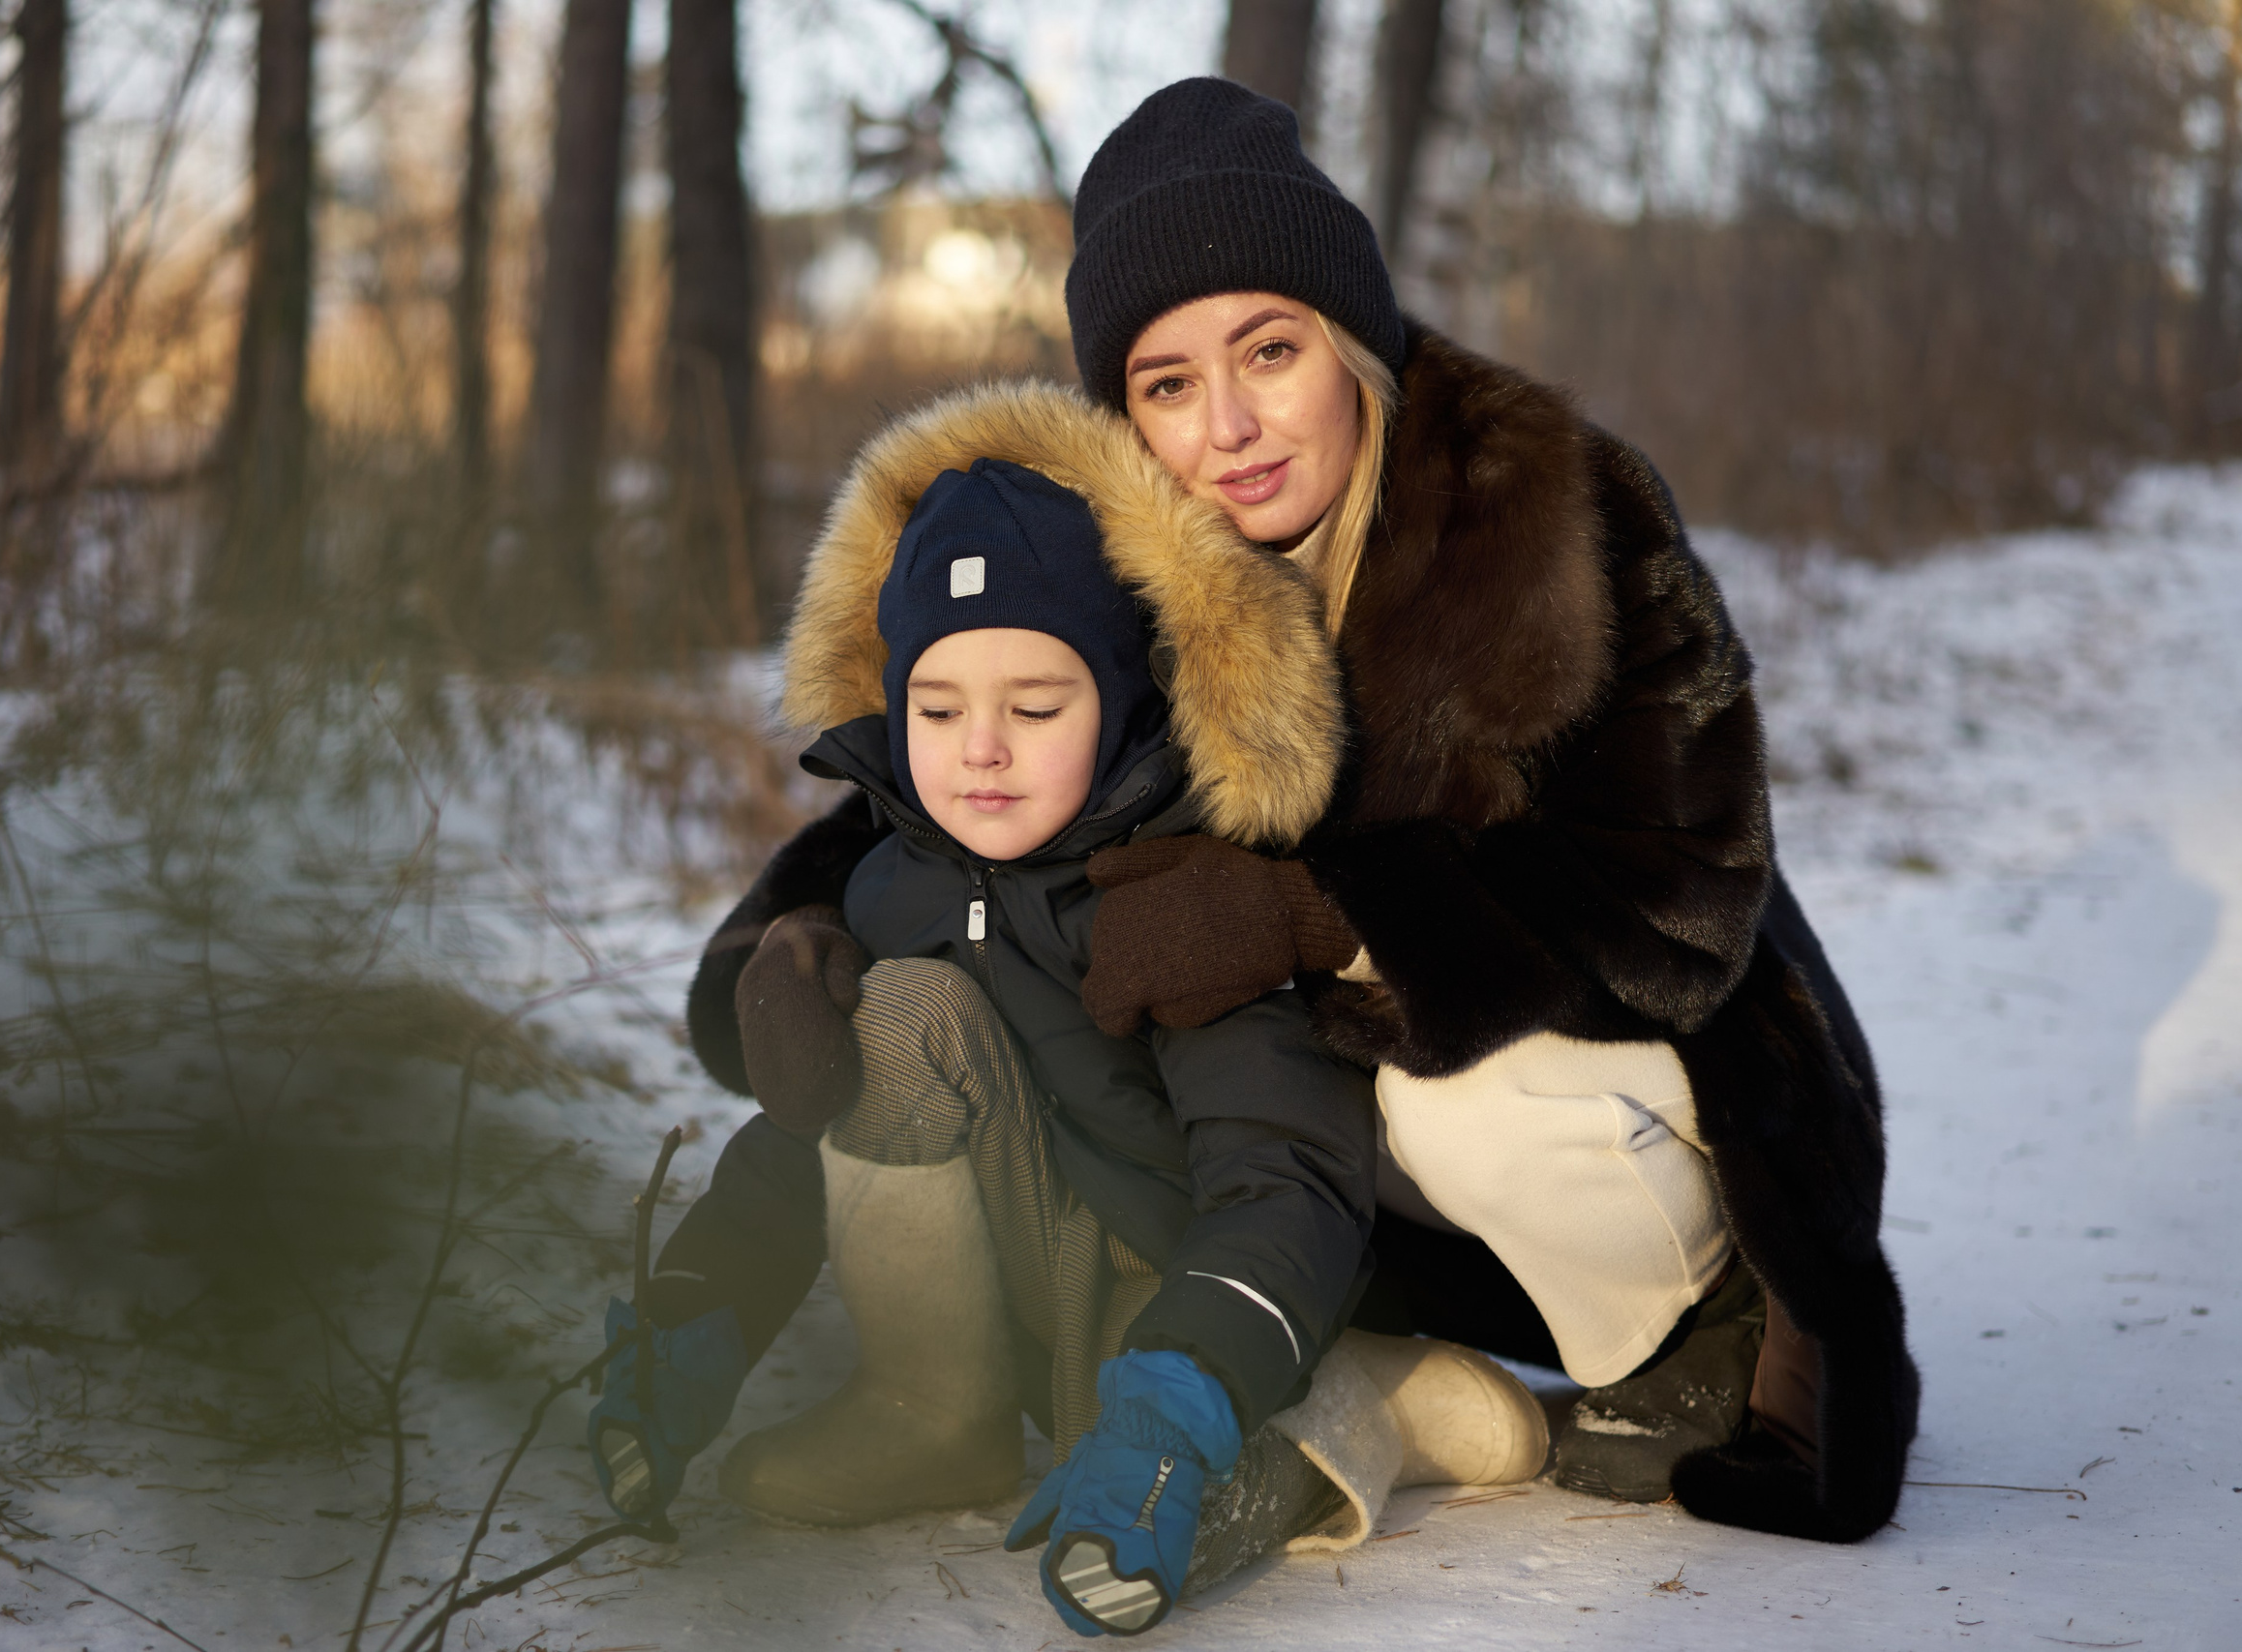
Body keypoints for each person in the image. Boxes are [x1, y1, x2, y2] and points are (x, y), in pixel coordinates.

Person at [683, 77, 1919, 1547]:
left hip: (1655, 1096)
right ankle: (1361, 1365)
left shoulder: (1548, 512)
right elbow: (954, 779)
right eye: (1165, 381)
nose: (1229, 425)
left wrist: (1308, 907)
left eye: (1268, 350)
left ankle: (1694, 1332)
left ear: (1348, 339)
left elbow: (1679, 902)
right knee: (1218, 1072)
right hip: (1353, 1146)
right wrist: (796, 934)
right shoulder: (1146, 563)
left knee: (1445, 1094)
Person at [591, 423, 1551, 1637]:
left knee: (1194, 1469)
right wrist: (695, 1319)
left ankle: (1368, 1416)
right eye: (936, 709)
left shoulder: (1178, 901)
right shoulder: (897, 891)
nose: (979, 750)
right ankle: (929, 1415)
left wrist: (1176, 1391)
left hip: (1194, 1318)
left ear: (1120, 702)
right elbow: (806, 1155)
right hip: (1024, 1286)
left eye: (1034, 706)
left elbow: (1285, 1173)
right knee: (898, 1018)